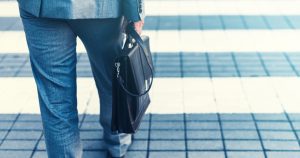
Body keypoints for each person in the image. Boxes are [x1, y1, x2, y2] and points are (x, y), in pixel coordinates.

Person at [17, 1, 145, 158]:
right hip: (103, 8)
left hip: (42, 7)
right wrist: (135, 11)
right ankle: (117, 143)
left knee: (55, 99)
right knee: (112, 80)